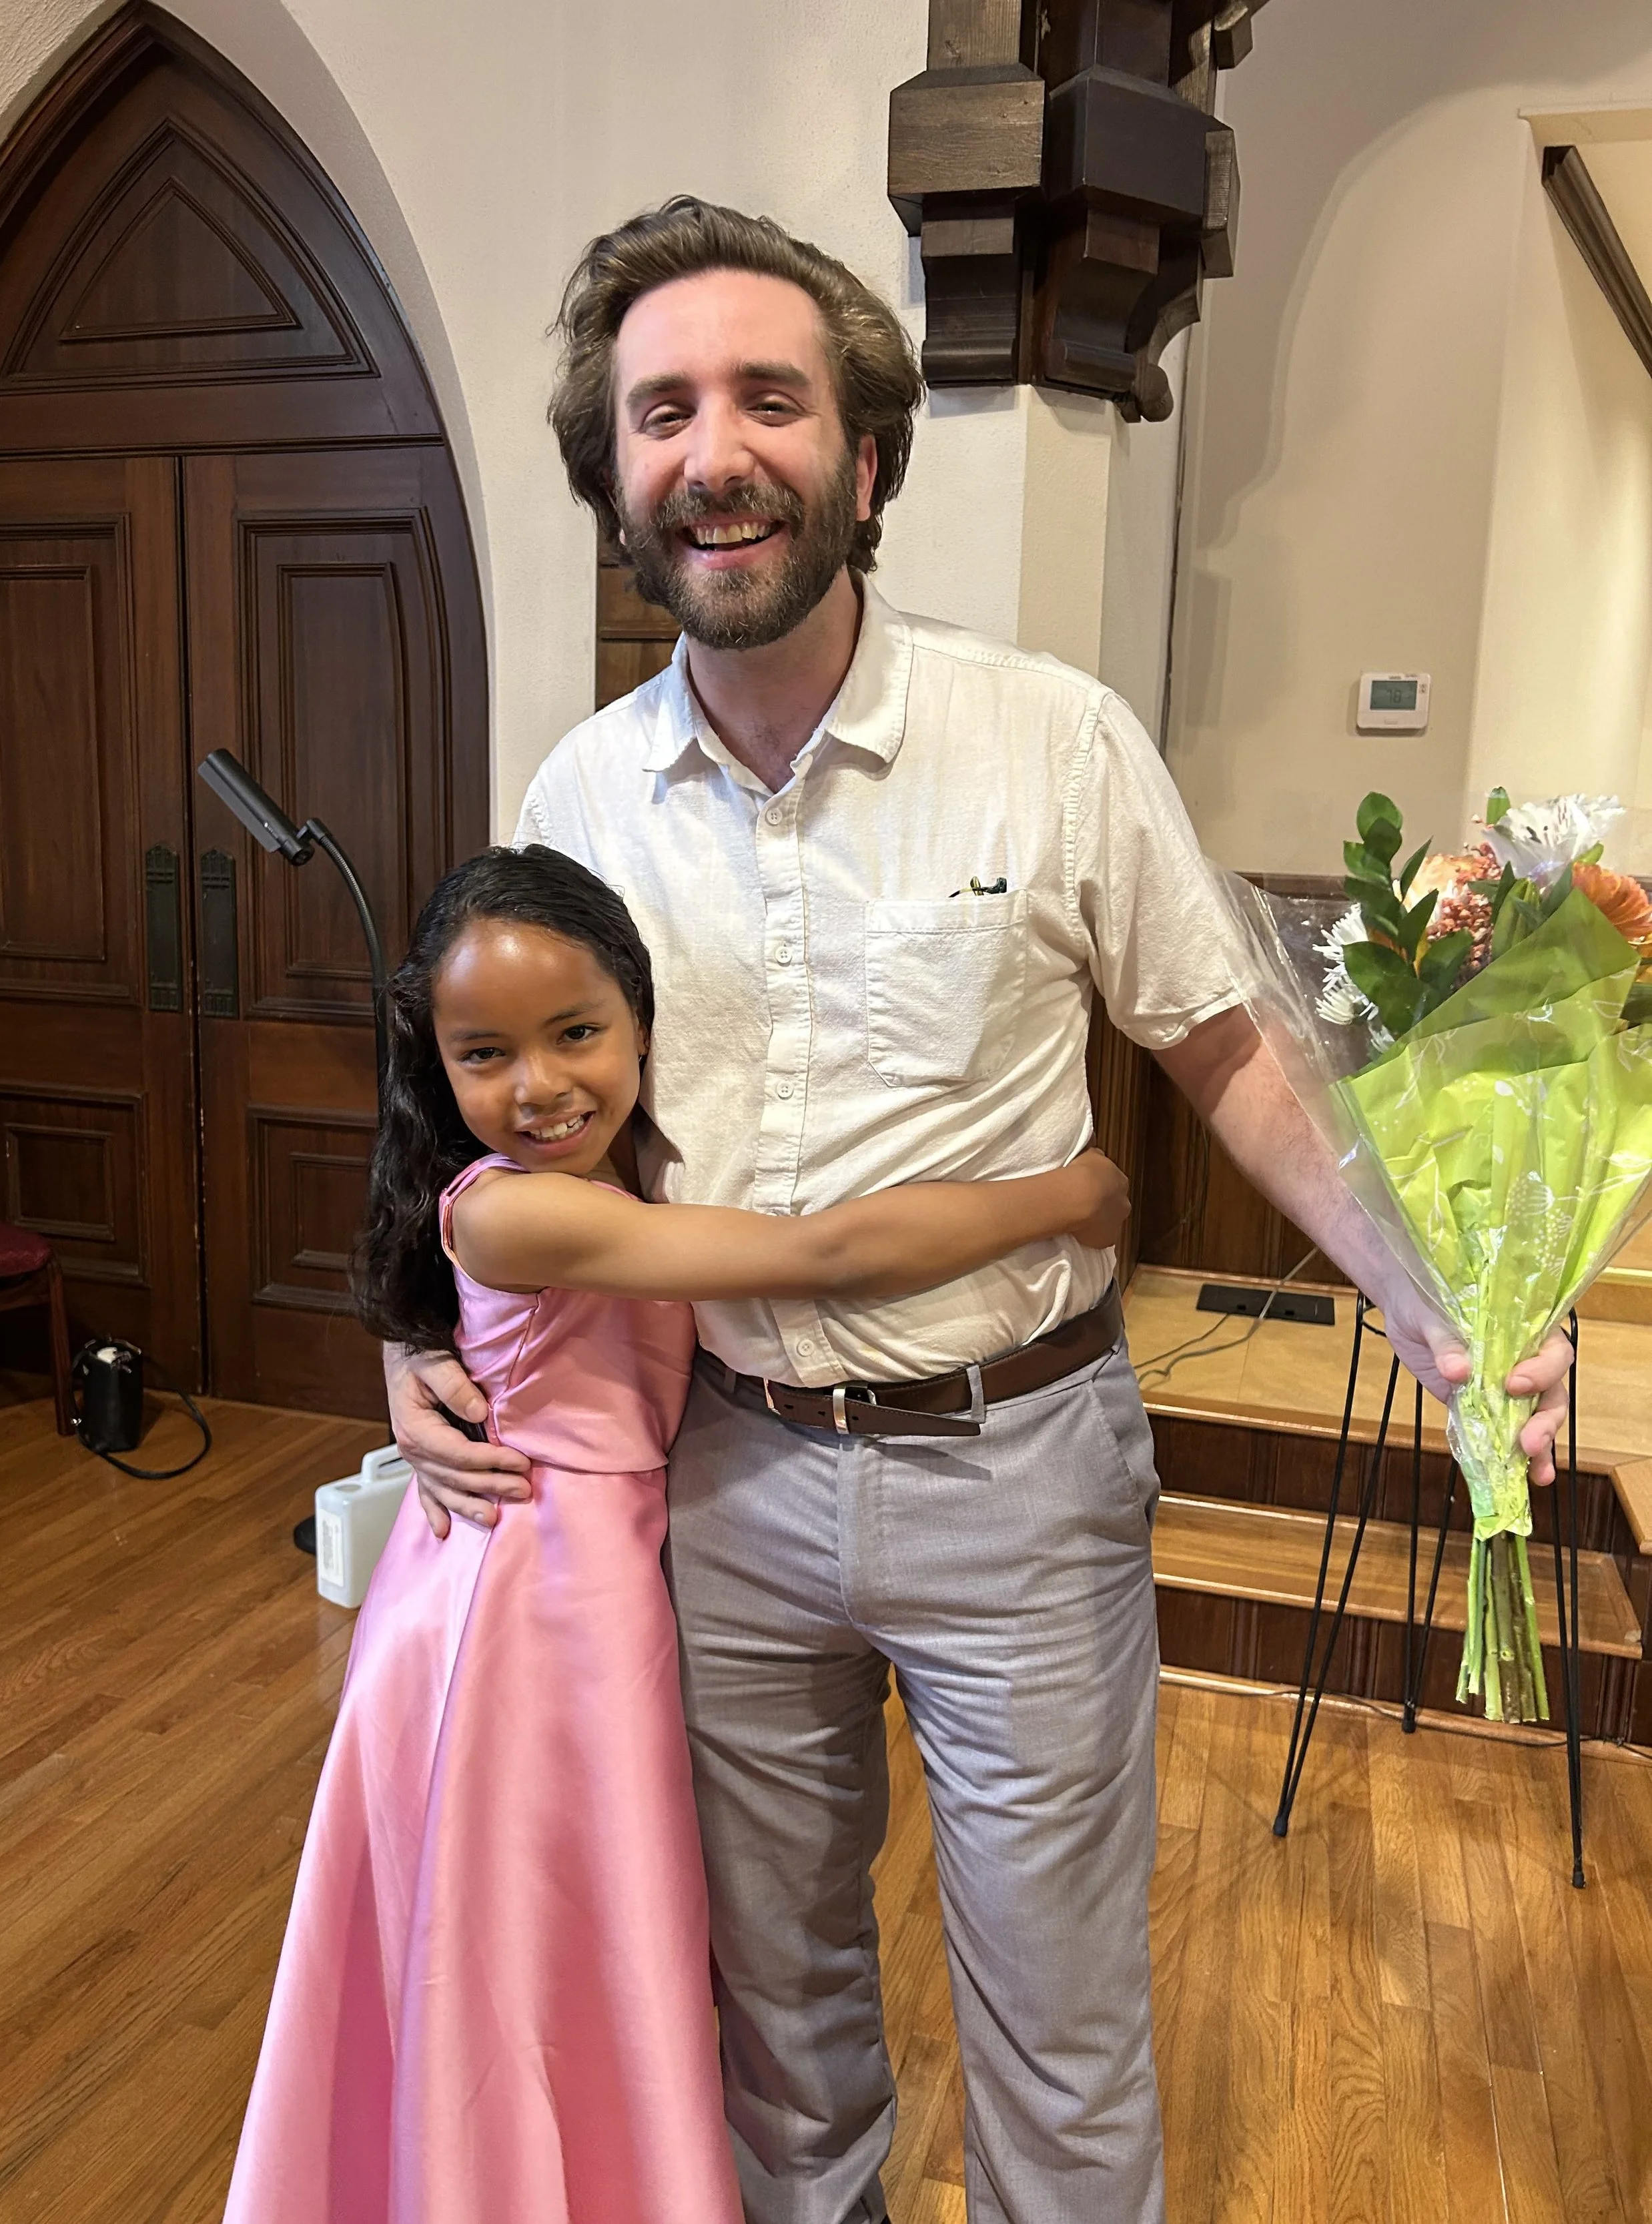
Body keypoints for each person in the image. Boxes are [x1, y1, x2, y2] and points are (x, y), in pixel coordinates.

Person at [386, 201, 1573, 2224]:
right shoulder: (575, 795)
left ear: (864, 458)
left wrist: (1435, 1298)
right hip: (717, 1479)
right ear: (616, 481)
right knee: (770, 2015)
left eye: (768, 399)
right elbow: (490, 1115)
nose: (714, 452)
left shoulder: (1049, 739)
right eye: (662, 413)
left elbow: (1231, 1051)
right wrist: (412, 1346)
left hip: (1014, 1473)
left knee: (1059, 2023)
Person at [224, 845, 1128, 2224]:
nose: (538, 1086)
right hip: (522, 1601)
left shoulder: (603, 1174)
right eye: (485, 1055)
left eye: (575, 1035)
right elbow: (822, 1257)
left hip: (593, 1571)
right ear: (435, 1065)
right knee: (511, 1935)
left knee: (594, 1928)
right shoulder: (521, 1207)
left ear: (640, 1021)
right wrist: (1062, 1200)